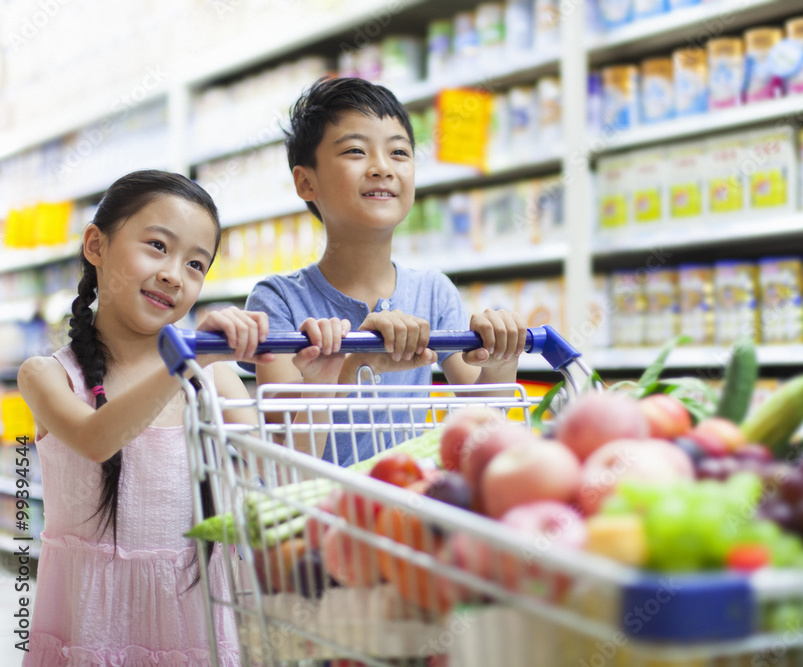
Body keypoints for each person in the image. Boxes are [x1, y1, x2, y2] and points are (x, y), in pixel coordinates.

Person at [16, 170, 350, 666]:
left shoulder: (212, 382)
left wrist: (322, 381)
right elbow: (95, 439)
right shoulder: (48, 375)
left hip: (198, 624)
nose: (175, 273)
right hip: (88, 627)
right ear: (95, 245)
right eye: (156, 245)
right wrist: (189, 356)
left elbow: (287, 474)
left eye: (196, 264)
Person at [244, 76, 528, 465]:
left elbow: (483, 423)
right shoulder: (278, 300)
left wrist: (500, 361)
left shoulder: (433, 291)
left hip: (406, 506)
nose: (382, 167)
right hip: (318, 513)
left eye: (399, 152)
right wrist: (355, 362)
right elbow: (287, 450)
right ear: (306, 182)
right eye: (356, 151)